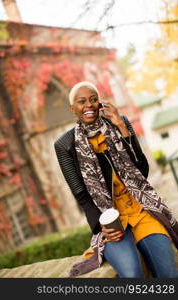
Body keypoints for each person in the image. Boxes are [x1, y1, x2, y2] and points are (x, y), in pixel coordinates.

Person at [54, 81, 178, 278]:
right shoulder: (65, 145)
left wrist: (121, 126)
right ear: (72, 108)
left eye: (94, 100)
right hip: (110, 220)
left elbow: (142, 170)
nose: (89, 105)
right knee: (131, 275)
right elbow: (81, 195)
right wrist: (100, 226)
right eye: (82, 101)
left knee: (169, 274)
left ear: (100, 103)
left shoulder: (118, 123)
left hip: (140, 211)